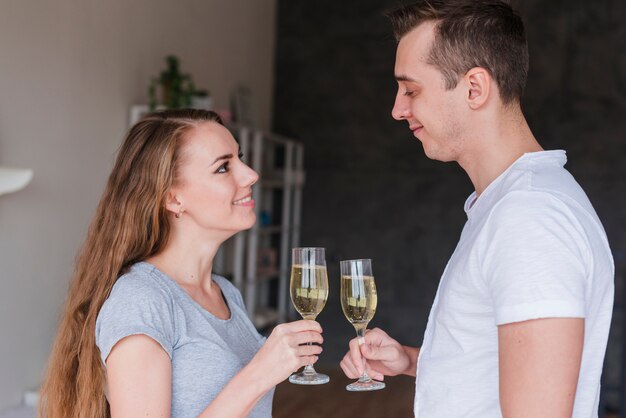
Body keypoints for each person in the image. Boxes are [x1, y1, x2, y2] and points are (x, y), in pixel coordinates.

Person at [340, 1, 614, 417]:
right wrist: (412, 360)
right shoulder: (511, 205)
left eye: (411, 90)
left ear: (474, 88)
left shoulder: (530, 219)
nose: (397, 109)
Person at [39, 109, 324, 418]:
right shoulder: (142, 299)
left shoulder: (226, 293)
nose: (251, 174)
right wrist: (257, 375)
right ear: (173, 199)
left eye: (239, 158)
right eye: (223, 167)